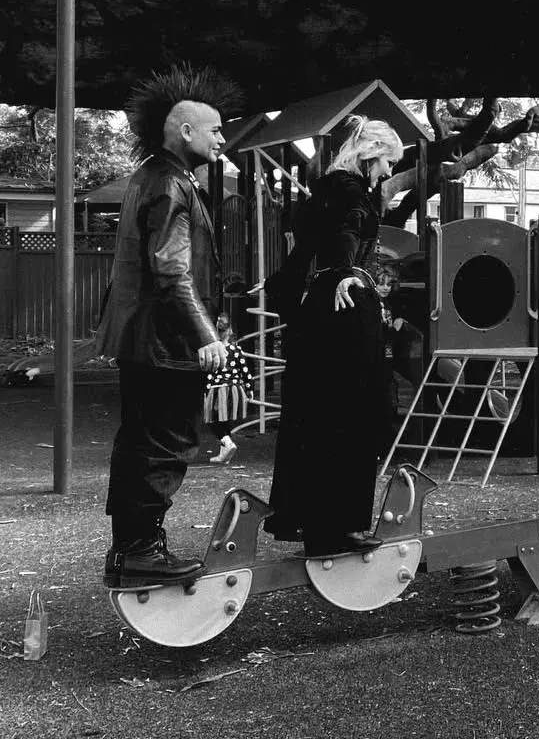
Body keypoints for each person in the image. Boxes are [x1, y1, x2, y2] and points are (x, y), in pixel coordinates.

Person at [97, 64, 237, 588]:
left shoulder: (153, 176)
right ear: (185, 131)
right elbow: (171, 268)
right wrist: (207, 336)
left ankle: (130, 550)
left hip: (144, 337)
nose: (222, 137)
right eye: (216, 129)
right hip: (163, 341)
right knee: (163, 443)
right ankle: (139, 551)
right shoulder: (172, 184)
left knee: (138, 441)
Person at [263, 115, 402, 557]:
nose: (388, 172)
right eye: (386, 162)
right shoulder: (349, 189)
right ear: (369, 154)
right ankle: (341, 523)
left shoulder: (324, 187)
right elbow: (343, 232)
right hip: (343, 306)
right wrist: (345, 273)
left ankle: (318, 522)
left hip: (320, 309)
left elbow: (312, 244)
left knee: (321, 412)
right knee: (358, 410)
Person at [204, 313, 254, 464]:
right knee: (225, 421)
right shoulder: (236, 349)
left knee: (212, 420)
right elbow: (244, 370)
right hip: (234, 389)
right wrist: (249, 387)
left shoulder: (212, 350)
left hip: (218, 388)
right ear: (230, 330)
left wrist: (206, 390)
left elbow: (208, 372)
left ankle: (227, 443)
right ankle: (224, 455)